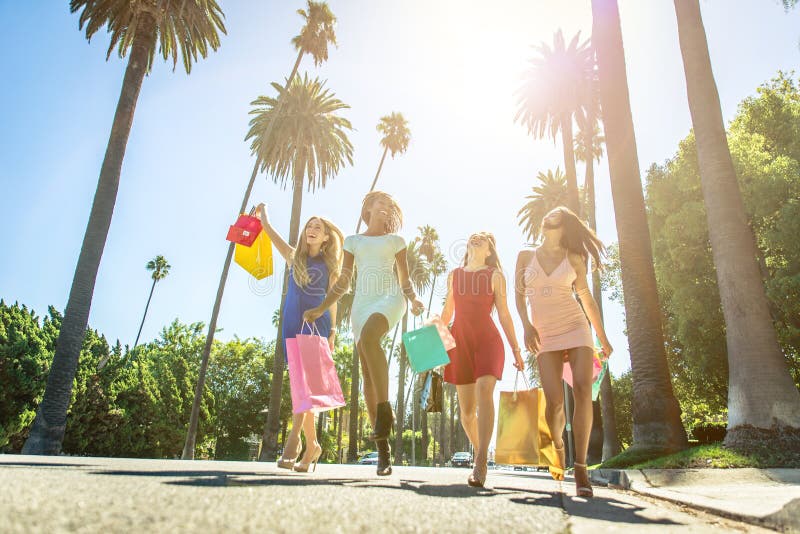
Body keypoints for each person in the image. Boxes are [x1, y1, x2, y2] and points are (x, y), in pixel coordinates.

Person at [304, 191, 425, 476]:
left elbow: (404, 279)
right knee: (368, 377)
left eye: (388, 205)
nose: (384, 207)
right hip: (361, 305)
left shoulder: (396, 241)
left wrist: (415, 299)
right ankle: (383, 450)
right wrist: (322, 307)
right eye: (379, 203)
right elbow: (344, 280)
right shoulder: (353, 242)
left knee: (371, 338)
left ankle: (385, 412)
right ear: (368, 209)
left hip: (391, 297)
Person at [514, 206, 613, 498]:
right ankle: (557, 445)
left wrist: (603, 338)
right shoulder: (524, 256)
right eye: (545, 220)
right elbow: (519, 295)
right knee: (555, 403)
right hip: (544, 333)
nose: (545, 223)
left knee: (583, 391)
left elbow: (587, 300)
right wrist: (526, 326)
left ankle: (580, 468)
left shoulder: (575, 258)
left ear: (563, 228)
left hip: (576, 327)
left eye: (552, 221)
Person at [257, 203, 344, 473]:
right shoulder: (294, 257)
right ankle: (313, 445)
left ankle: (293, 443)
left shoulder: (330, 266)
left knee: (304, 386)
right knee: (299, 384)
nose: (312, 230)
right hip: (291, 322)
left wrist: (333, 330)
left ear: (327, 237)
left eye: (318, 227)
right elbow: (272, 236)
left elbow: (333, 301)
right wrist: (264, 217)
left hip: (316, 324)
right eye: (310, 226)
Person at [440, 232, 524, 487]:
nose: (476, 238)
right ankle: (481, 451)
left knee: (484, 390)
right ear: (467, 245)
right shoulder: (455, 275)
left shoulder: (495, 275)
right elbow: (447, 312)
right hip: (460, 344)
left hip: (488, 341)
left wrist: (517, 350)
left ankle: (480, 464)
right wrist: (431, 346)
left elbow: (505, 315)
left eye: (482, 239)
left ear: (489, 250)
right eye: (473, 237)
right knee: (466, 414)